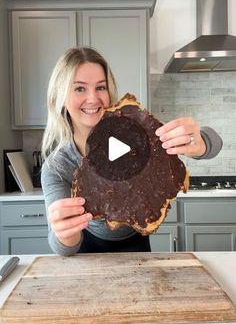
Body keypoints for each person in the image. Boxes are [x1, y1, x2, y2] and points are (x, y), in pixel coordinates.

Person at [41, 47, 223, 256]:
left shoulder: (135, 138)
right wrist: (65, 233)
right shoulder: (57, 167)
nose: (93, 98)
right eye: (80, 89)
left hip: (136, 243)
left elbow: (214, 143)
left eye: (101, 87)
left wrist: (200, 142)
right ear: (60, 96)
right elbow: (60, 247)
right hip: (87, 250)